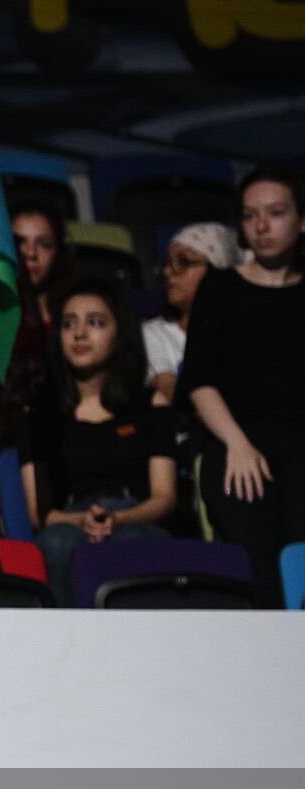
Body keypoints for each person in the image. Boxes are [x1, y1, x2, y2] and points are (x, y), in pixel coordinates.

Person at [179, 167, 305, 608]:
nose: (262, 226)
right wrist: (237, 443)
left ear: (301, 219)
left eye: (275, 213)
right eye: (251, 215)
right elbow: (199, 380)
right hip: (235, 444)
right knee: (261, 562)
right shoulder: (220, 288)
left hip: (299, 448)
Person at [21, 278, 175, 607]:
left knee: (130, 542)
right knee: (57, 543)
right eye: (69, 324)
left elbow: (164, 497)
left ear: (120, 334)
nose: (79, 334)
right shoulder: (39, 414)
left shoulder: (152, 404)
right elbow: (41, 513)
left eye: (95, 322)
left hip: (136, 516)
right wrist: (81, 520)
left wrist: (120, 519)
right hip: (71, 519)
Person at [0, 201, 74, 463]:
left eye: (43, 244)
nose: (30, 254)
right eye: (19, 243)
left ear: (59, 251)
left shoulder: (73, 319)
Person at [141, 222, 241, 405]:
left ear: (218, 269)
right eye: (167, 263)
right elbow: (170, 392)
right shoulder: (153, 335)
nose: (167, 272)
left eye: (183, 262)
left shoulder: (245, 331)